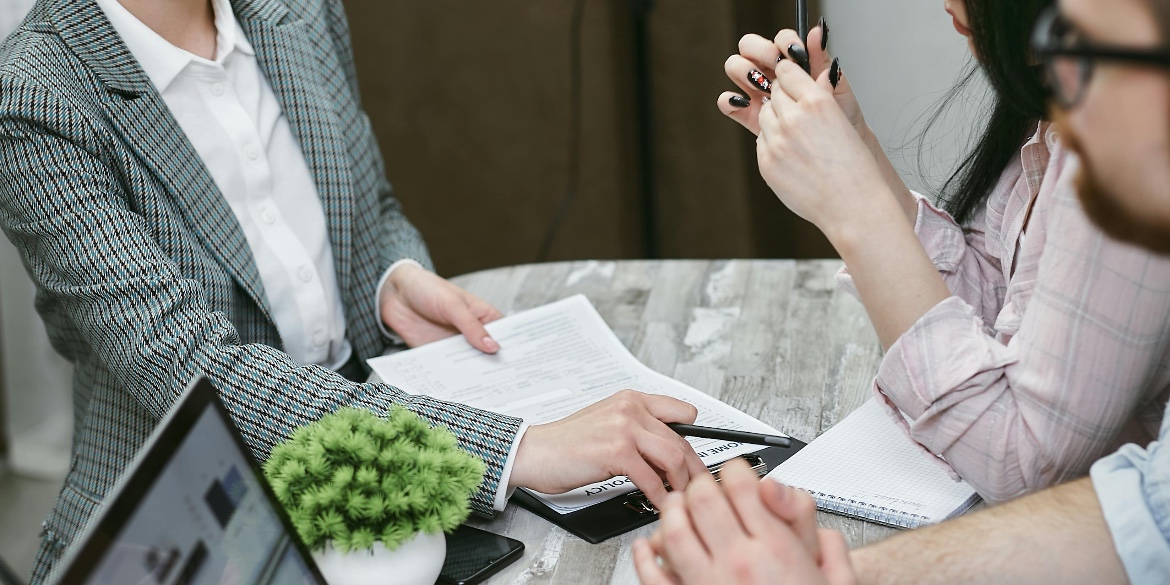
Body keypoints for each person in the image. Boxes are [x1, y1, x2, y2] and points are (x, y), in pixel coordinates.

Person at [0, 0, 709, 581]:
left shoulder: (296, 10)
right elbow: (199, 378)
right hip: (199, 533)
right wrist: (519, 449)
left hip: (385, 490)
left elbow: (369, 205)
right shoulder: (35, 97)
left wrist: (390, 279)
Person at [633, 0, 1170, 582]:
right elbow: (1002, 317)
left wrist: (854, 204)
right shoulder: (1076, 118)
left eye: (1082, 44)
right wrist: (855, 153)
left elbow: (1024, 459)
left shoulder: (1124, 132)